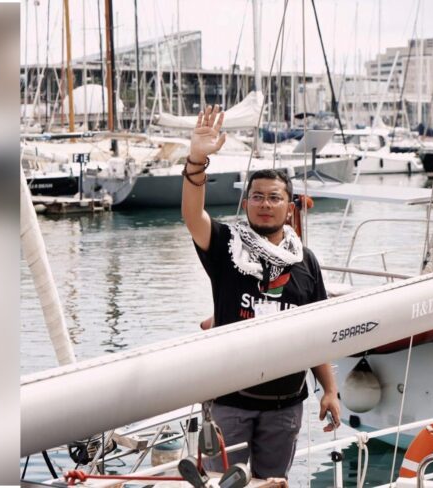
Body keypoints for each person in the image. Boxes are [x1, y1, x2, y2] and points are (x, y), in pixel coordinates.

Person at [181, 105, 341, 480]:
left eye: (274, 197)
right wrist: (197, 160)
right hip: (230, 402)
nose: (265, 204)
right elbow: (192, 216)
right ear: (246, 203)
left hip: (285, 405)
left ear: (289, 207)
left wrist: (330, 390)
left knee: (273, 483)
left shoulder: (305, 261)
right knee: (224, 484)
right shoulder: (225, 245)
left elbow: (316, 332)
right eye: (256, 197)